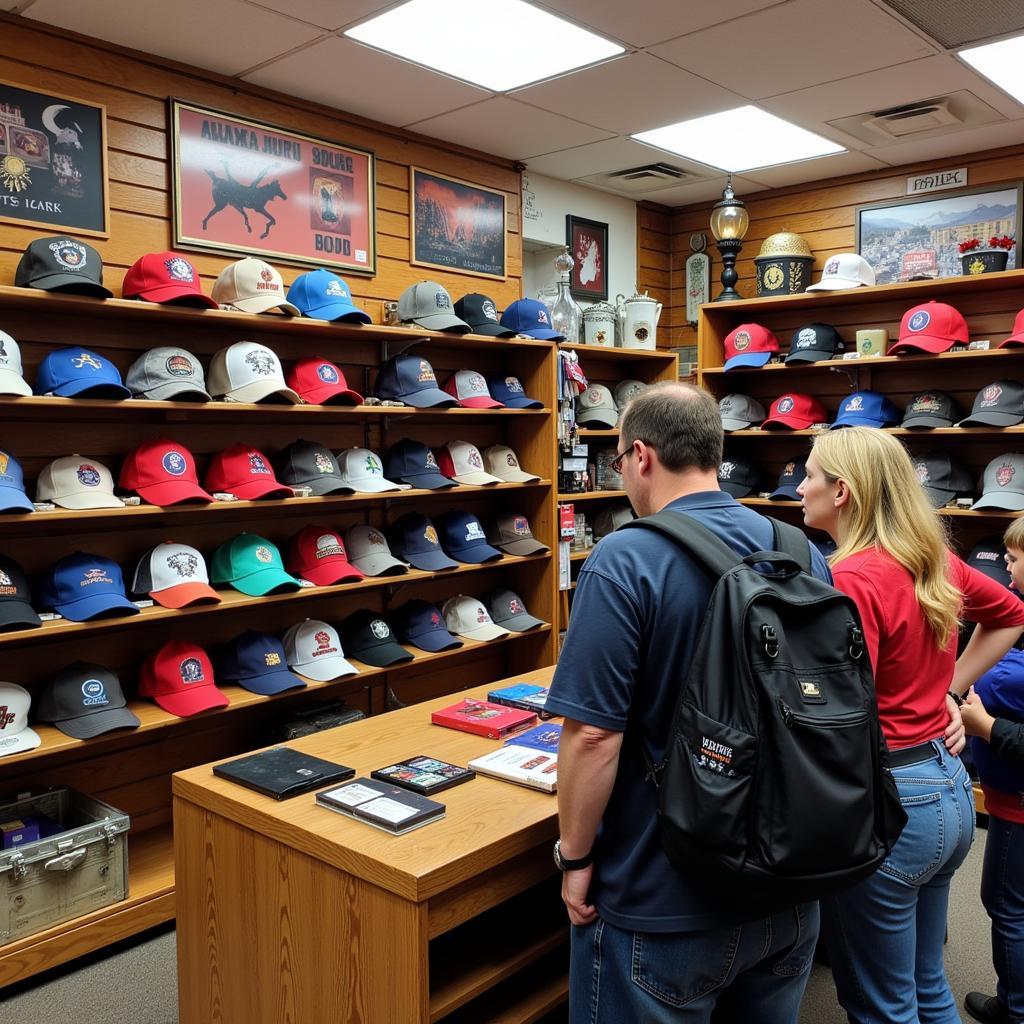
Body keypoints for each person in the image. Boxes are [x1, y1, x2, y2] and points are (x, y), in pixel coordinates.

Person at [545, 382, 832, 1022]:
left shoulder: (625, 559)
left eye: (617, 460)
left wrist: (577, 858)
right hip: (791, 880)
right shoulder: (800, 551)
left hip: (662, 900)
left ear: (640, 456)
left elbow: (593, 736)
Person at [797, 427, 1024, 1024]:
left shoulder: (848, 577)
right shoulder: (928, 558)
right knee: (927, 987)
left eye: (811, 475)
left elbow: (844, 716)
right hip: (946, 791)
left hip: (891, 805)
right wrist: (946, 688)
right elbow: (1009, 614)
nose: (800, 486)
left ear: (841, 491)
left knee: (882, 1005)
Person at [960, 517, 1024, 1024]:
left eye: (1016, 557)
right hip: (1009, 798)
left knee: (1008, 906)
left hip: (1018, 807)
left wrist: (985, 727)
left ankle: (1016, 1009)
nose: (1006, 563)